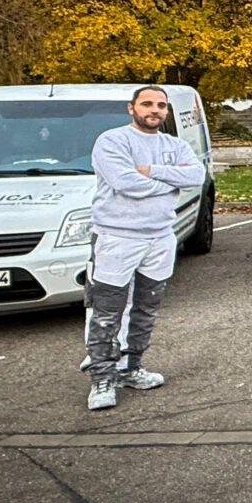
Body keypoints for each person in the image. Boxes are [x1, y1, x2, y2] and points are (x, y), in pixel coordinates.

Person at [83, 86, 205, 410]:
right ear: (131, 107)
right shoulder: (112, 141)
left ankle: (131, 367)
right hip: (117, 237)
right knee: (107, 310)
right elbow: (125, 183)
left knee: (146, 308)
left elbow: (197, 175)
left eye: (161, 105)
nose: (155, 110)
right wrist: (171, 183)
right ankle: (102, 379)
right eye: (147, 103)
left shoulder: (174, 145)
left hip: (160, 236)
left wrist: (152, 171)